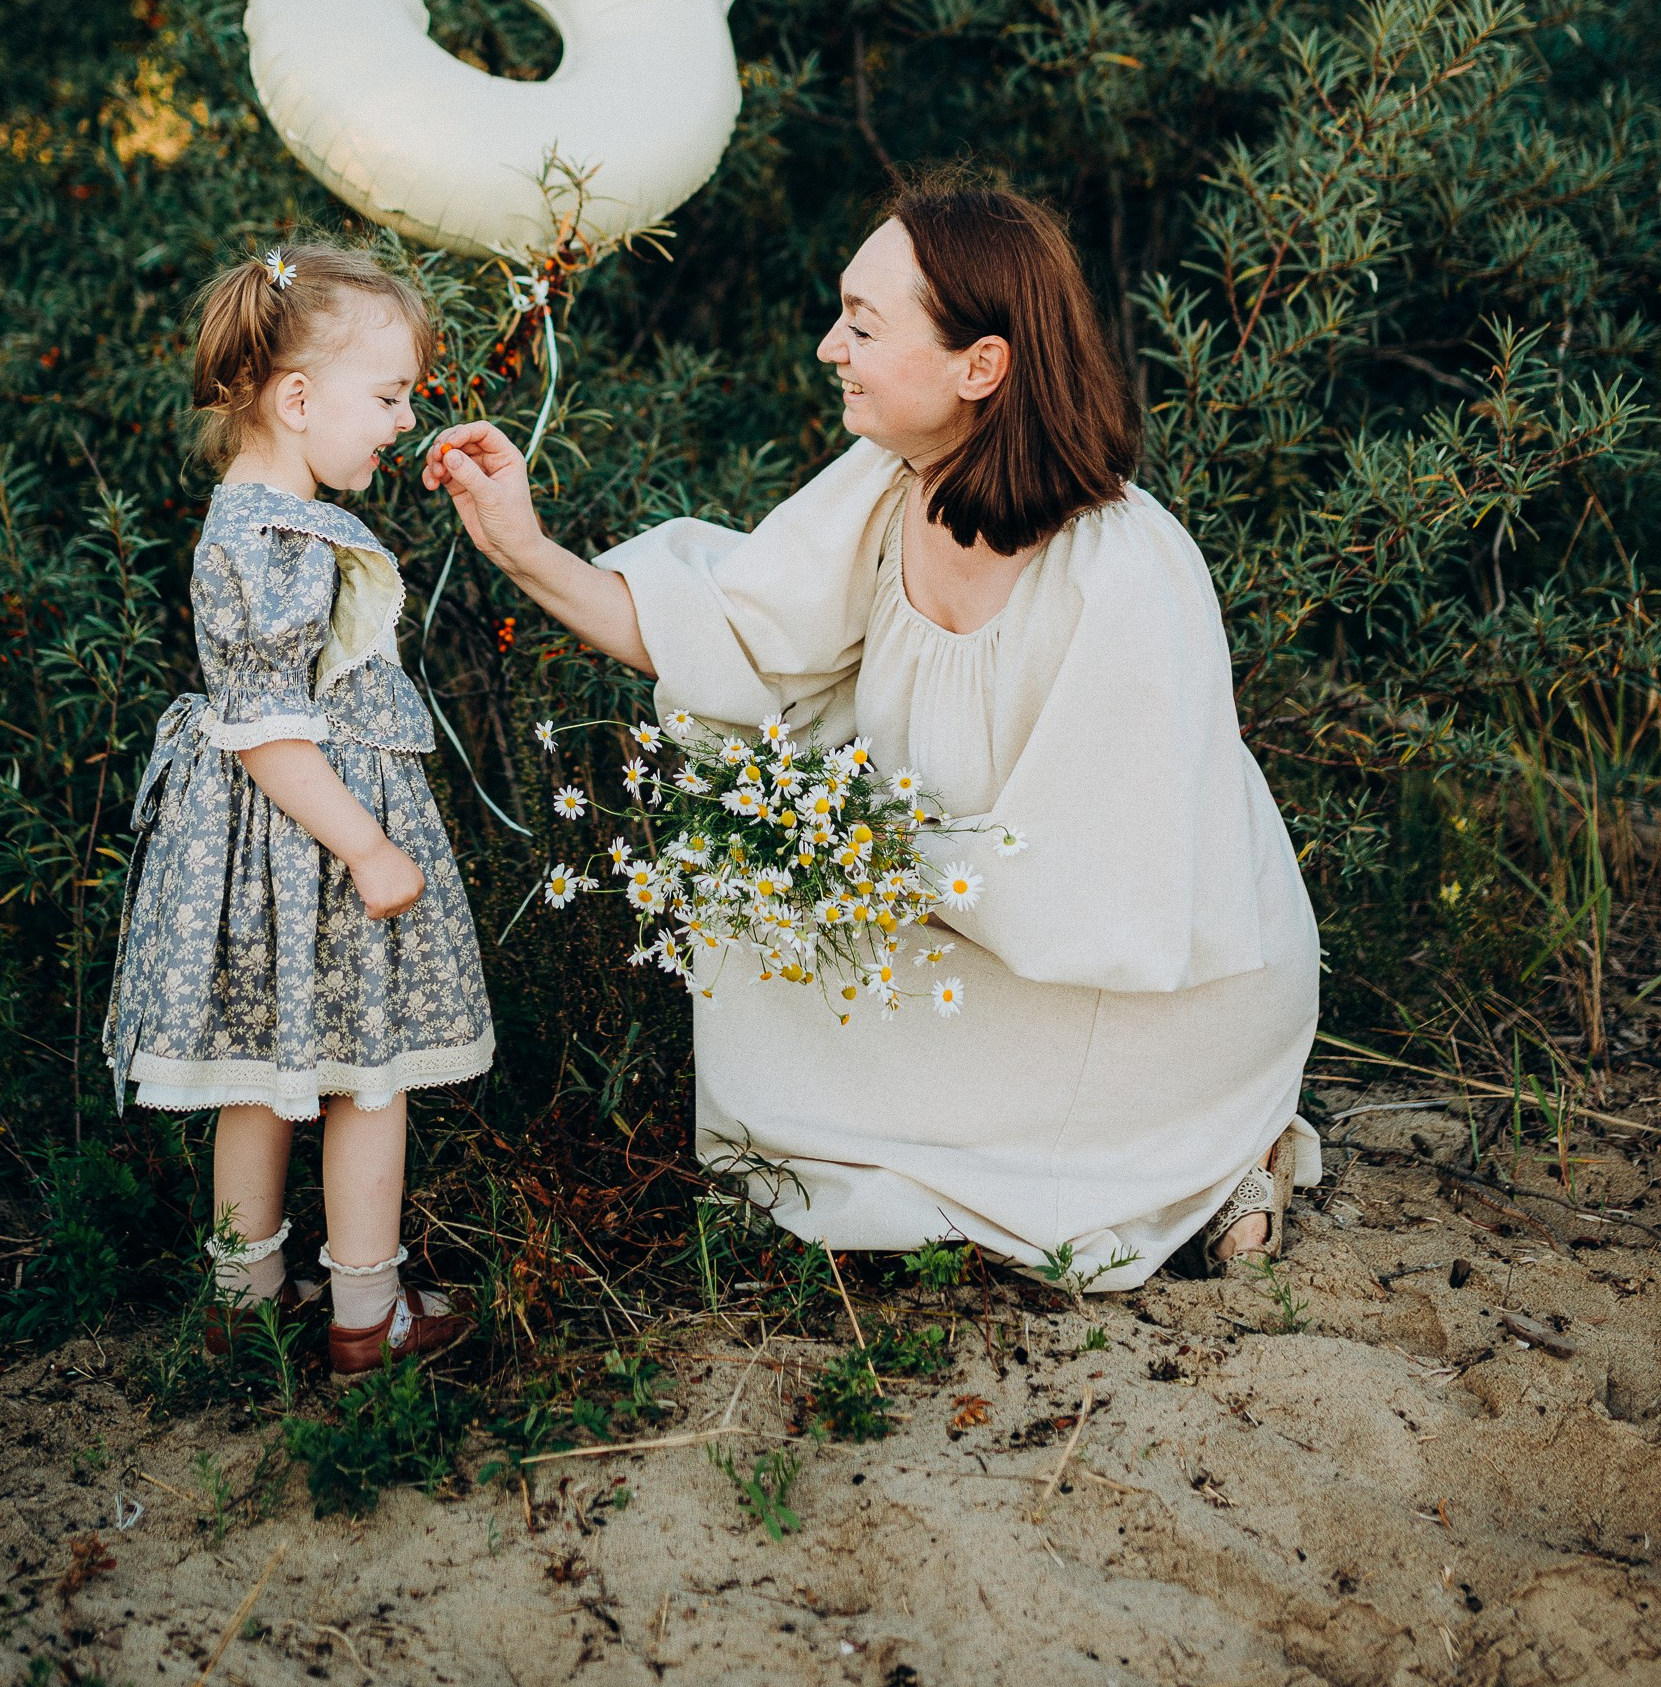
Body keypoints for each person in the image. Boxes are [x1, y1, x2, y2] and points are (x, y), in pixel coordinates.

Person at [424, 182, 1318, 1287]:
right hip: (951, 911)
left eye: (861, 321)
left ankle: (1213, 1143)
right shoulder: (890, 491)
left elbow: (1105, 885)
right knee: (742, 854)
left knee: (1045, 1111)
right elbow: (722, 640)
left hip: (1127, 982)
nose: (825, 347)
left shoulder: (1124, 573)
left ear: (977, 366)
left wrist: (859, 850)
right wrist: (523, 549)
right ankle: (1005, 1150)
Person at [104, 244, 492, 1369]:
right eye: (386, 398)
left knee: (266, 1077)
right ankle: (367, 1321)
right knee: (366, 1078)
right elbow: (268, 728)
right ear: (297, 398)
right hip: (312, 841)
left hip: (269, 848)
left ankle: (246, 1303)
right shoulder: (268, 539)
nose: (402, 420)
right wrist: (368, 844)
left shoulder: (273, 518)